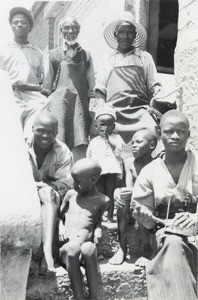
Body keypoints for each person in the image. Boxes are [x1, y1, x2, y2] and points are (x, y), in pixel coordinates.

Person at [131, 110, 198, 300]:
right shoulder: (149, 172)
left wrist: (195, 217)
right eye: (169, 131)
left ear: (188, 134)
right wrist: (147, 219)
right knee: (174, 245)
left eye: (181, 131)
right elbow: (147, 218)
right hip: (166, 233)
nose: (175, 136)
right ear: (159, 133)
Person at [94, 11, 162, 144]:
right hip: (113, 112)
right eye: (121, 32)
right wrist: (102, 111)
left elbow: (154, 84)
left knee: (153, 134)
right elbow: (100, 89)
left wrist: (157, 94)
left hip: (140, 111)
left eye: (130, 32)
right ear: (115, 34)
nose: (125, 36)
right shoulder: (107, 59)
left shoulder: (144, 57)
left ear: (135, 35)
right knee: (105, 142)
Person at [43, 16, 95, 162]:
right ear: (61, 31)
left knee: (80, 143)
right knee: (58, 141)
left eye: (74, 27)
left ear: (78, 30)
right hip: (60, 104)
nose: (70, 31)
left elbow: (92, 86)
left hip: (80, 106)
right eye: (66, 28)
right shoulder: (53, 55)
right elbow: (46, 86)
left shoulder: (87, 55)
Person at [27, 111, 73, 273]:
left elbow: (64, 185)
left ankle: (47, 252)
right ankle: (46, 254)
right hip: (25, 195)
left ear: (57, 132)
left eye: (50, 132)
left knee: (47, 193)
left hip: (51, 198)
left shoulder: (63, 151)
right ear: (32, 128)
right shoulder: (20, 146)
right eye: (41, 130)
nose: (45, 135)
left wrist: (41, 186)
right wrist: (38, 185)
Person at [58, 158, 109, 300]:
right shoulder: (71, 196)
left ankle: (94, 296)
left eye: (77, 181)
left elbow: (98, 220)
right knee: (74, 247)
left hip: (85, 250)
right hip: (68, 252)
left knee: (89, 248)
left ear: (93, 180)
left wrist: (99, 228)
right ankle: (78, 296)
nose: (73, 184)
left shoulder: (103, 200)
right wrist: (60, 225)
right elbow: (58, 217)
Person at [109, 128, 157, 264]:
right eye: (132, 143)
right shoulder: (130, 163)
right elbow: (128, 187)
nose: (133, 145)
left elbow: (156, 191)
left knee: (141, 203)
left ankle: (147, 249)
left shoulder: (156, 164)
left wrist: (135, 193)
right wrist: (118, 192)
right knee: (122, 199)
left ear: (152, 145)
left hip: (149, 205)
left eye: (138, 142)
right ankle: (122, 248)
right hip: (132, 204)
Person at [0, 7, 49, 138]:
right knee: (10, 131)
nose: (19, 25)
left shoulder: (37, 52)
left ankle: (29, 143)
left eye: (23, 22)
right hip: (10, 95)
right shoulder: (3, 50)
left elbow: (40, 79)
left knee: (43, 106)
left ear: (30, 27)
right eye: (16, 22)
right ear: (11, 25)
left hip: (32, 95)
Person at [86, 105, 125, 222]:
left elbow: (119, 150)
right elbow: (89, 155)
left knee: (110, 192)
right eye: (102, 124)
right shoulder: (94, 141)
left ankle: (110, 215)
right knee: (99, 192)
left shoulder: (116, 138)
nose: (105, 127)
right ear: (96, 126)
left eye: (109, 125)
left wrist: (108, 137)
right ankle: (100, 215)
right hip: (98, 171)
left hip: (111, 170)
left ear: (113, 126)